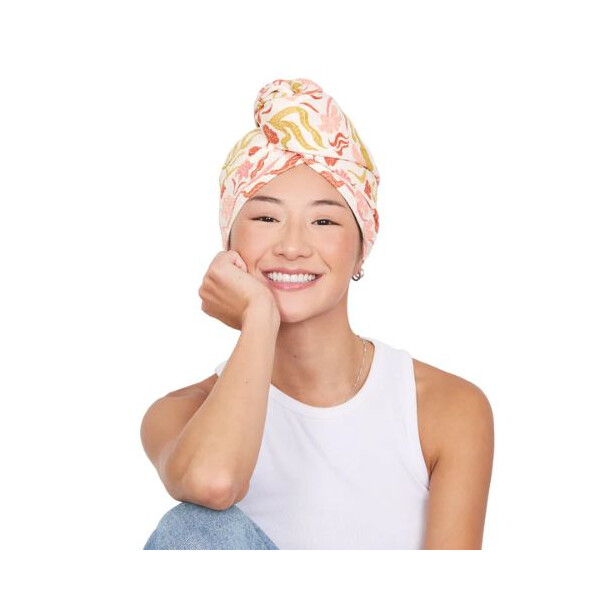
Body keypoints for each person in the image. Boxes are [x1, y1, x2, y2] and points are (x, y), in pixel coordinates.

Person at [140, 78, 494, 550]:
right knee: (195, 527)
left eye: (324, 220)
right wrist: (259, 317)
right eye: (266, 218)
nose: (292, 246)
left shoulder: (446, 408)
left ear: (362, 249)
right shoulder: (181, 413)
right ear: (230, 244)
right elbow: (213, 482)